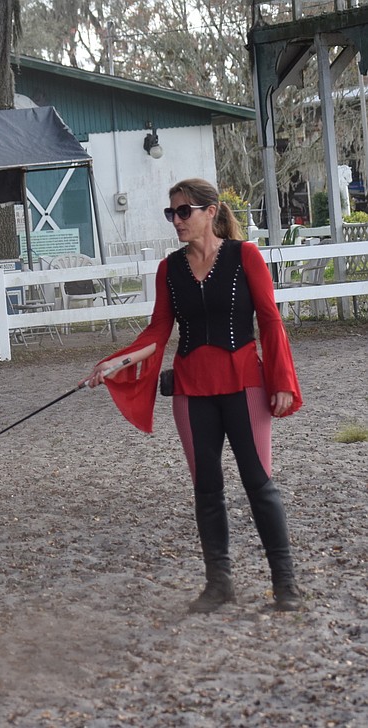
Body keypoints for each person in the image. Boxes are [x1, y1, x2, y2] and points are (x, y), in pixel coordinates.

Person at [86, 178, 303, 613]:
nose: (177, 221)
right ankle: (218, 585)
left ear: (211, 211)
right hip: (191, 391)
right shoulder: (169, 269)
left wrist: (282, 380)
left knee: (258, 482)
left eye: (184, 211)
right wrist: (115, 363)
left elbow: (269, 320)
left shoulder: (245, 256)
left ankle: (286, 585)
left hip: (244, 385)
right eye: (172, 213)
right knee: (206, 487)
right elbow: (157, 331)